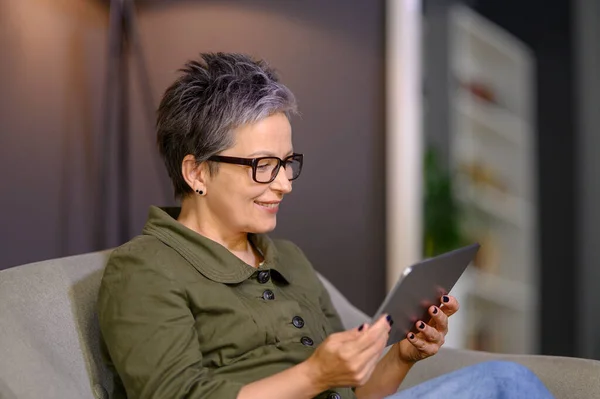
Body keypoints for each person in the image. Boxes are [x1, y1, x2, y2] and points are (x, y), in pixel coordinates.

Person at [97, 52, 553, 399]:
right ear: (197, 172)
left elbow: (352, 392)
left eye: (286, 163)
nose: (283, 185)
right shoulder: (144, 269)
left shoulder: (287, 258)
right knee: (504, 382)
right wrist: (314, 374)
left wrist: (401, 356)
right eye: (261, 166)